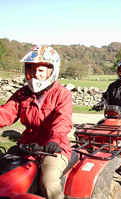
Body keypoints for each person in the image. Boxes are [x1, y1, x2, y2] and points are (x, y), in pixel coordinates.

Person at [0, 46, 72, 199]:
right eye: (31, 70)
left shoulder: (62, 94)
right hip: (27, 146)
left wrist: (54, 141)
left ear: (51, 71)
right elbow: (6, 112)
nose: (35, 75)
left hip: (53, 149)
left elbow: (63, 121)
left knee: (49, 183)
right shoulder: (22, 93)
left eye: (40, 71)